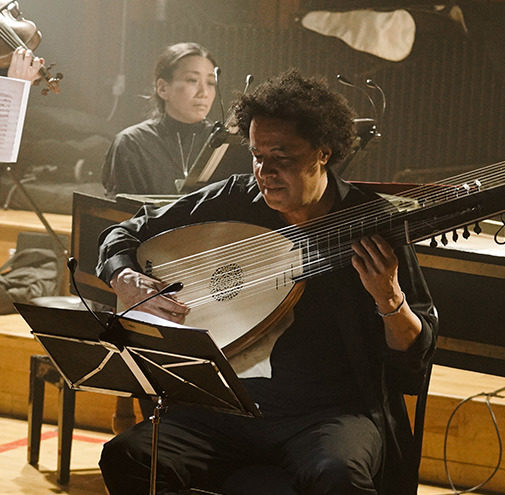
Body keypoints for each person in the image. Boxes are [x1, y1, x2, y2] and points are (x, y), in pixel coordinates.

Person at [96, 69, 438, 495]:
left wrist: (390, 299)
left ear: (324, 153)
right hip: (229, 407)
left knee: (340, 477)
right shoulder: (235, 199)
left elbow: (413, 359)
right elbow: (126, 232)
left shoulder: (370, 223)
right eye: (257, 155)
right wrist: (124, 275)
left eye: (283, 157)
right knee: (128, 455)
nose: (265, 171)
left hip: (328, 415)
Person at [101, 41, 241, 197]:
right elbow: (121, 213)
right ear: (162, 88)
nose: (204, 92)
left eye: (210, 83)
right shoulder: (132, 143)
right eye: (192, 80)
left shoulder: (222, 143)